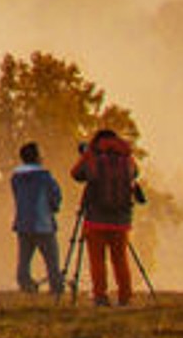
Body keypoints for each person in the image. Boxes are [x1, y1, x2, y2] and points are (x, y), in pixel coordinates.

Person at [70, 127, 142, 307]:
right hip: (121, 218)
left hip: (95, 217)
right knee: (120, 258)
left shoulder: (92, 155)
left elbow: (76, 174)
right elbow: (135, 174)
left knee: (97, 259)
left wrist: (85, 155)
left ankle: (100, 295)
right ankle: (125, 295)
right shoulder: (127, 157)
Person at [11, 142, 63, 297]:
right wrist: (54, 208)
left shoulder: (16, 178)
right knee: (52, 259)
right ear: (37, 157)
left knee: (24, 258)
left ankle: (26, 284)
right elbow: (55, 196)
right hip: (43, 223)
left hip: (23, 223)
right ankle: (56, 286)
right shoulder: (44, 177)